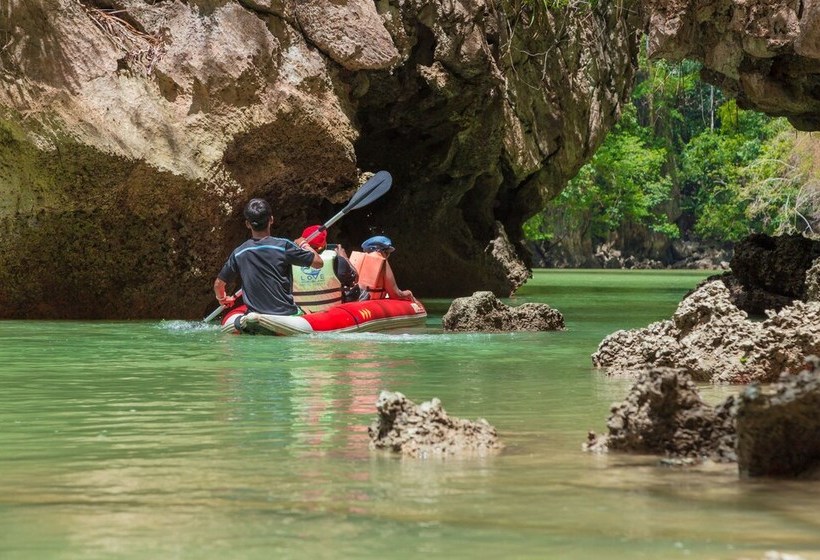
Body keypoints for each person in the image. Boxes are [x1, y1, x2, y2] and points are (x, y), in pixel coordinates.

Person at [213, 198, 323, 317]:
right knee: (307, 312)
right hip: (285, 315)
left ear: (248, 224)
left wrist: (222, 298)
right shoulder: (284, 246)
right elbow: (318, 263)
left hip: (254, 314)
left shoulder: (239, 252)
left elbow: (218, 284)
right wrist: (303, 244)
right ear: (271, 219)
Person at [291, 225, 359, 312]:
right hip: (332, 313)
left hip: (303, 315)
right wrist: (344, 258)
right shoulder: (338, 261)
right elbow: (355, 279)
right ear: (324, 243)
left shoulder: (291, 262)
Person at [348, 235, 414, 301]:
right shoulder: (382, 262)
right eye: (387, 252)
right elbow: (396, 294)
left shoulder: (355, 260)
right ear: (382, 251)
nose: (388, 256)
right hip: (371, 304)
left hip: (354, 301)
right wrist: (409, 293)